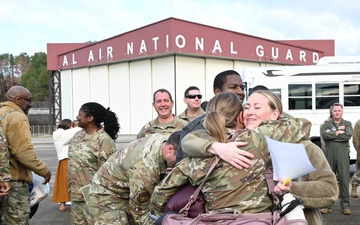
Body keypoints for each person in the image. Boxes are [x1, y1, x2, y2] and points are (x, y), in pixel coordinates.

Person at [176, 90, 338, 225]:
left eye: (257, 107)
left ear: (275, 114)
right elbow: (192, 138)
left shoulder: (302, 146)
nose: (250, 112)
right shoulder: (232, 147)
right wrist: (215, 147)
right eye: (247, 107)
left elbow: (330, 189)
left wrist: (292, 189)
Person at [151, 91, 313, 218]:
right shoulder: (256, 139)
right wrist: (272, 116)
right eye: (247, 108)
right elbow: (301, 126)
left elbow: (160, 193)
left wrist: (158, 214)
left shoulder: (197, 156)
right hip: (257, 220)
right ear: (240, 116)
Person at [84, 131, 181, 225]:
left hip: (124, 191)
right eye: (179, 159)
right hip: (106, 198)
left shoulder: (162, 141)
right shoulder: (146, 168)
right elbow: (139, 212)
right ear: (170, 149)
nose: (178, 164)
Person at [0, 86, 51, 225]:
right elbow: (22, 152)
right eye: (29, 100)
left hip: (2, 181)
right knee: (16, 220)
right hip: (13, 183)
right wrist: (44, 170)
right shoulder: (17, 116)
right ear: (18, 100)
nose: (31, 104)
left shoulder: (2, 113)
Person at [176, 69, 247, 163]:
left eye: (242, 88)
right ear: (217, 91)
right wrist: (215, 147)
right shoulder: (195, 127)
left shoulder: (249, 118)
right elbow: (184, 166)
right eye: (233, 87)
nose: (240, 92)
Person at [68, 102, 120, 225]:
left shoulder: (103, 140)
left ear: (90, 118)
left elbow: (107, 174)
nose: (77, 117)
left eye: (80, 114)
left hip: (94, 199)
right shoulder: (78, 136)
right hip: (76, 197)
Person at [320, 102, 353, 215]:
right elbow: (324, 135)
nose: (337, 112)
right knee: (329, 179)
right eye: (335, 111)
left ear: (342, 111)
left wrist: (332, 135)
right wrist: (338, 133)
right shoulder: (326, 124)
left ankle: (345, 206)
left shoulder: (347, 124)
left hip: (343, 153)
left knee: (344, 179)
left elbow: (347, 136)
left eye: (339, 110)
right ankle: (327, 205)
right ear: (332, 112)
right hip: (330, 153)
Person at [52, 119, 81, 212]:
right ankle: (64, 203)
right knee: (66, 181)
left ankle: (63, 203)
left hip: (66, 159)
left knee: (64, 182)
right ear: (68, 125)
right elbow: (73, 132)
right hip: (66, 159)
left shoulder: (60, 133)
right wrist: (81, 126)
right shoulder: (60, 133)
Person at [351, 118, 360, 198]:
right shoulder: (359, 123)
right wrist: (358, 149)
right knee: (359, 171)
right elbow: (355, 138)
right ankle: (354, 187)